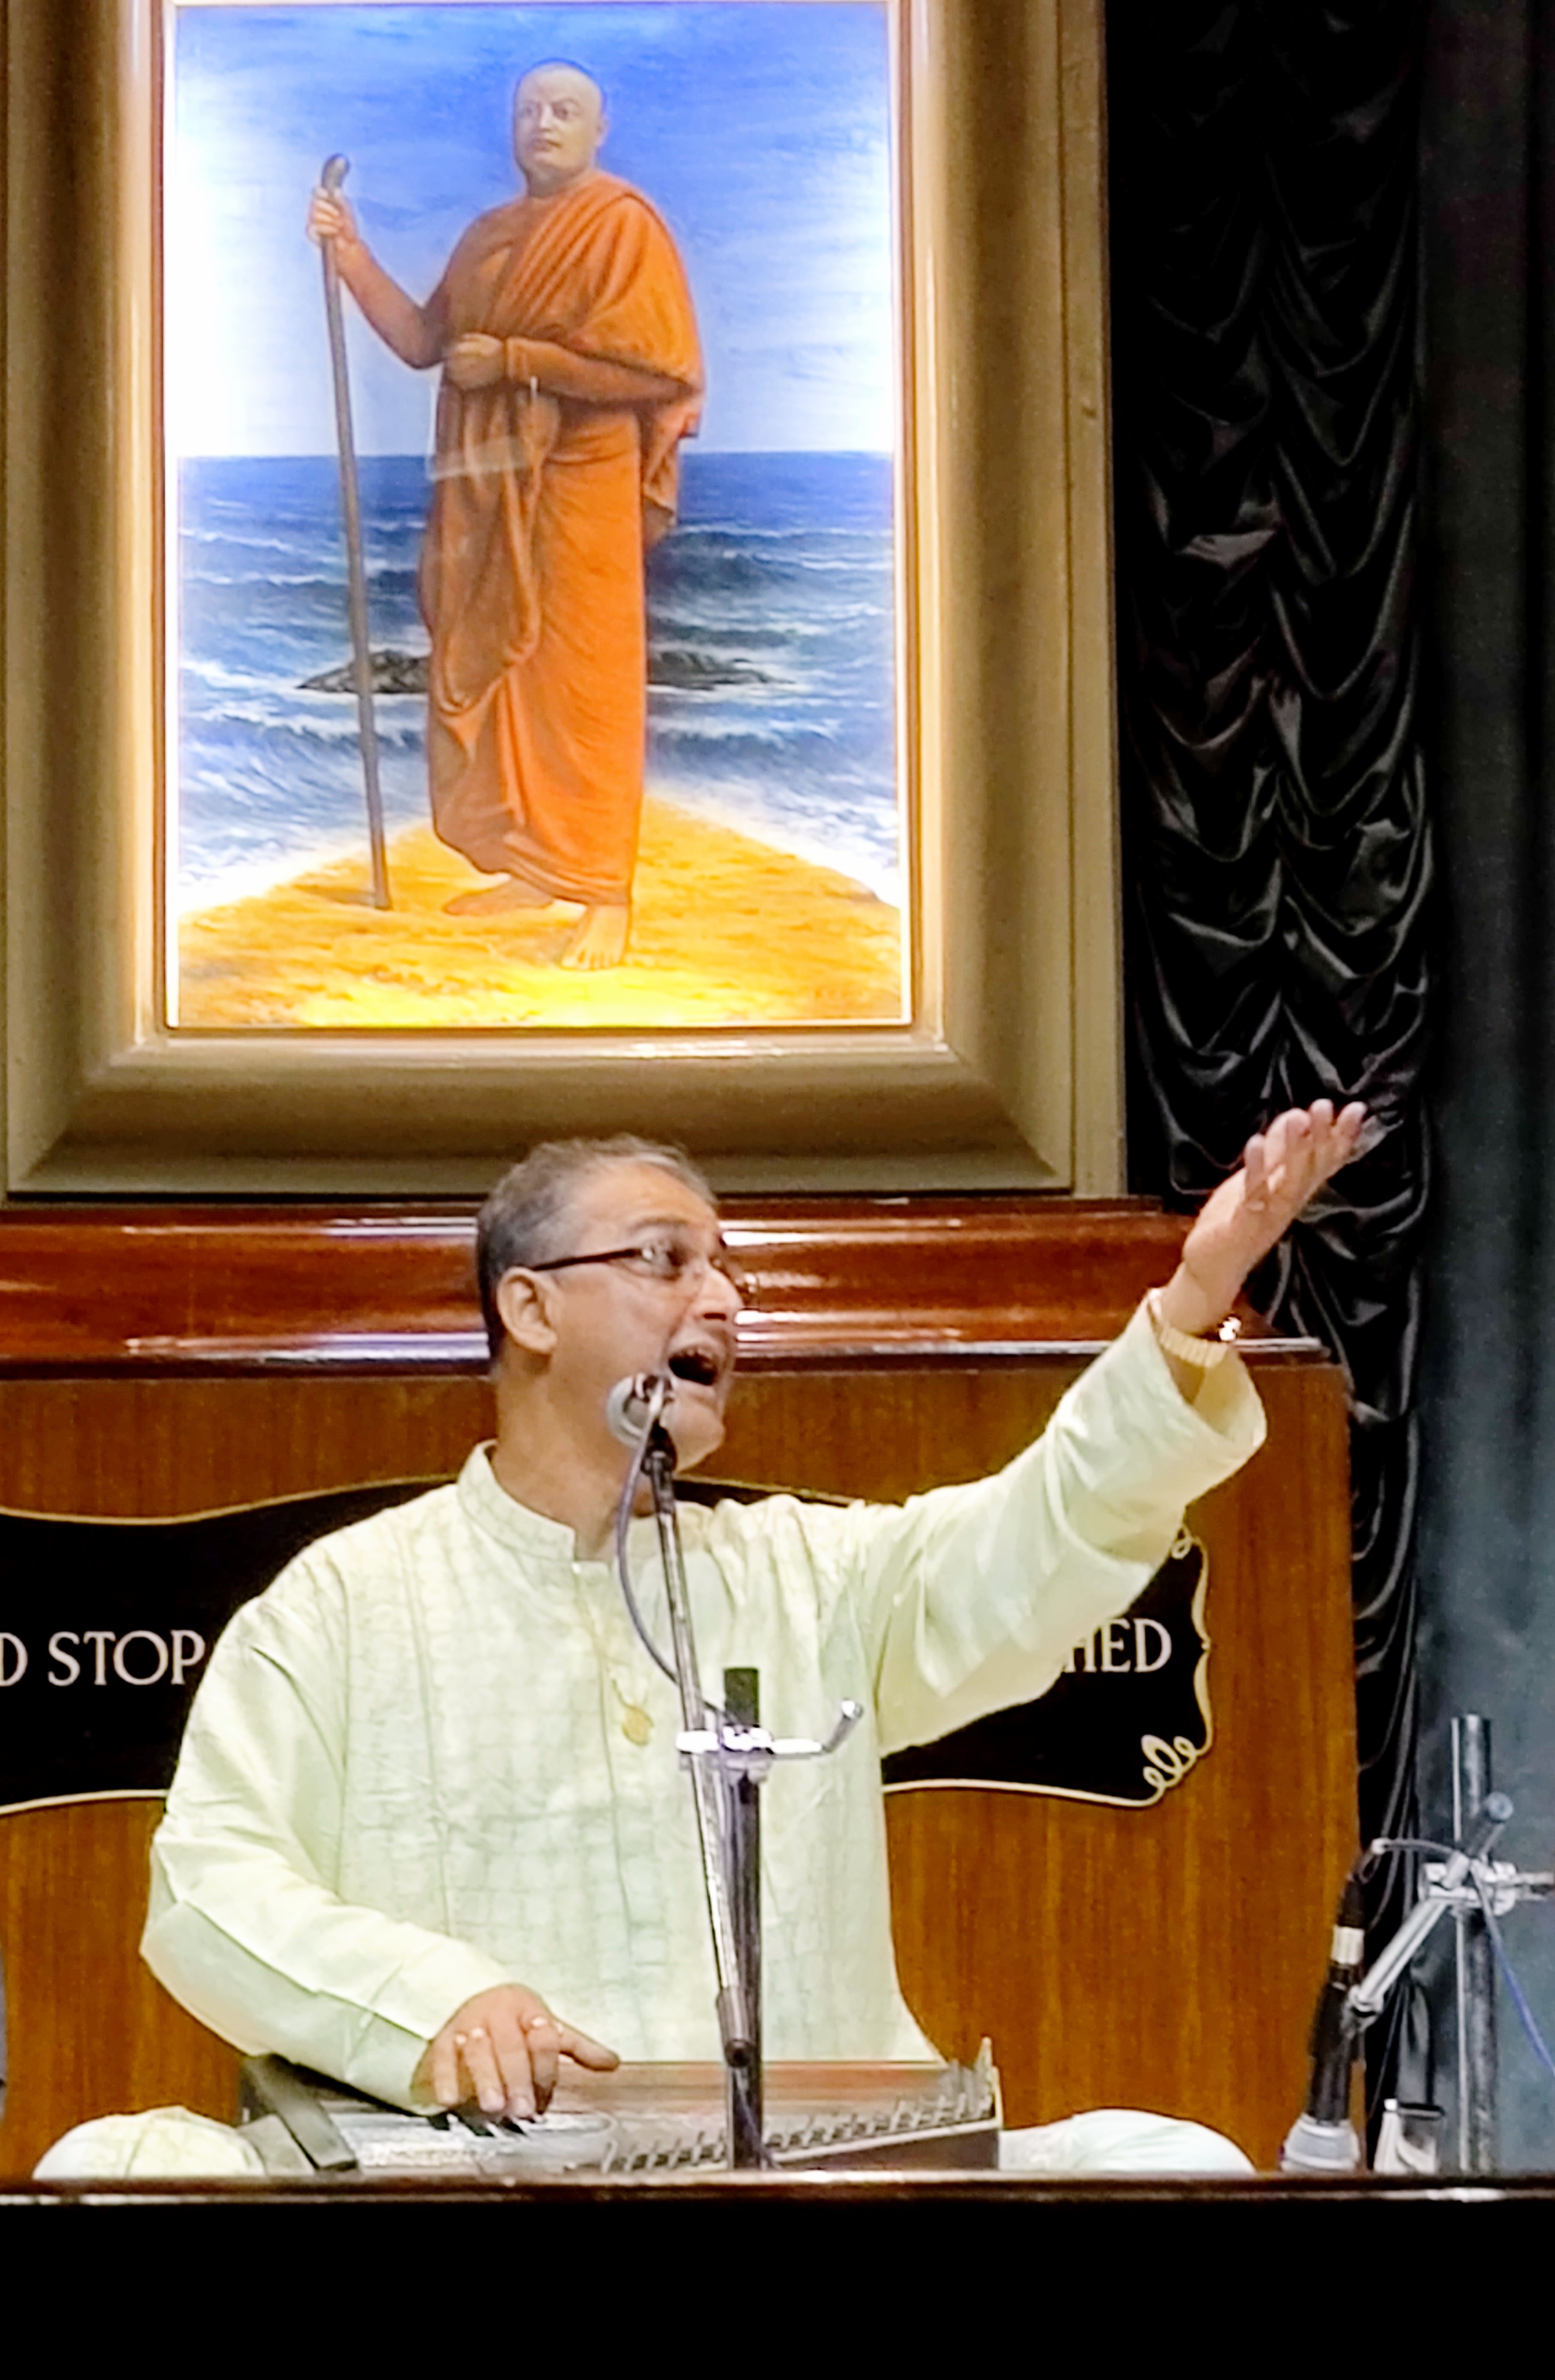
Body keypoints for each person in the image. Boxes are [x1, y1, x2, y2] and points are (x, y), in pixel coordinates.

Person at [143, 1100, 1365, 2160]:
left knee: (1168, 2159)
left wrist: (1190, 1302)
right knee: (117, 2158)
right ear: (530, 1306)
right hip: (480, 2168)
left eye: (727, 1270)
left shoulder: (805, 1573)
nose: (722, 1301)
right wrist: (432, 2003)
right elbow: (208, 1883)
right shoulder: (349, 1601)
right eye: (664, 1259)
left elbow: (1039, 1536)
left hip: (811, 2164)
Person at [307, 63, 703, 971]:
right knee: (506, 681)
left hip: (581, 486)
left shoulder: (622, 226)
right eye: (529, 110)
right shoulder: (487, 235)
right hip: (485, 487)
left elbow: (656, 372)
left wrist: (521, 360)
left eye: (565, 111)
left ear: (600, 128)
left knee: (583, 687)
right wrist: (351, 253)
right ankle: (533, 865)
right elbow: (424, 343)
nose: (544, 124)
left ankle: (604, 893)